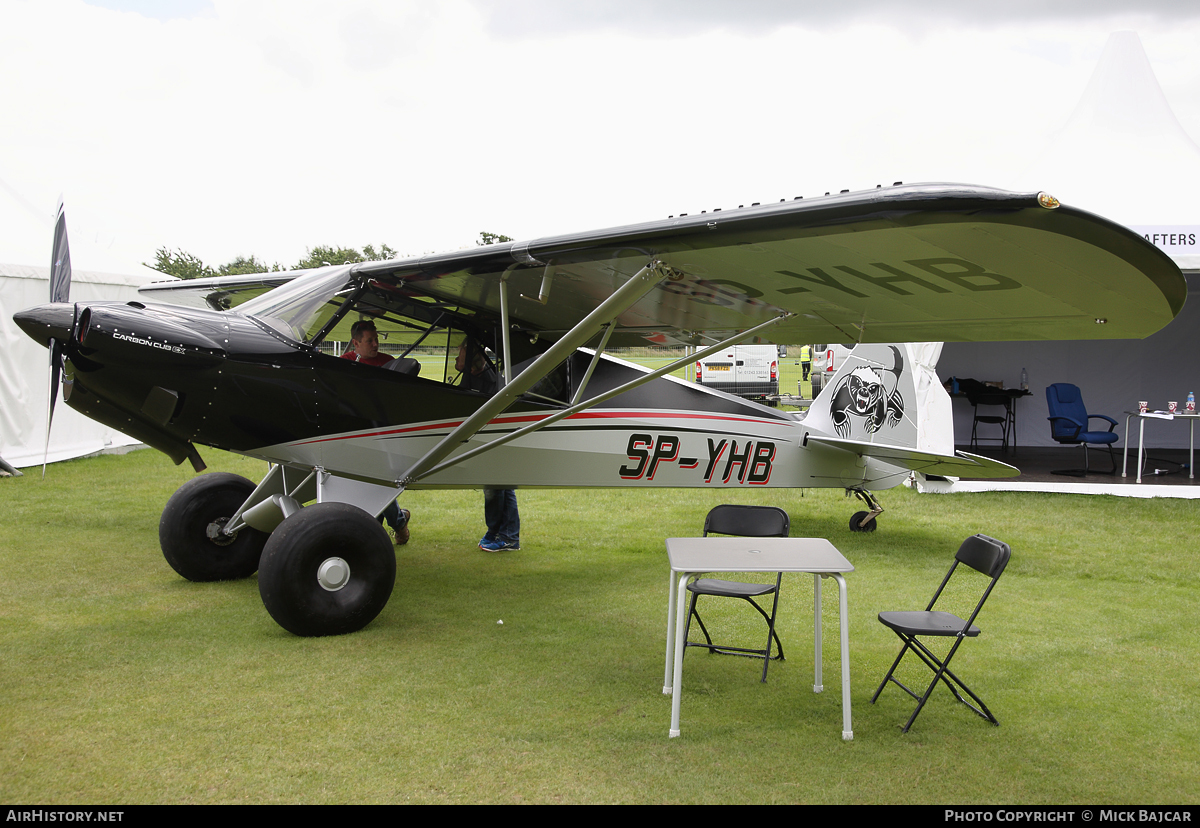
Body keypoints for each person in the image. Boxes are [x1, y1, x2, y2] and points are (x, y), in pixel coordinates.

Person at [454, 340, 520, 551]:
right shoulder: (472, 376)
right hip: (489, 437)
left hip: (494, 437)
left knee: (495, 486)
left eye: (460, 354)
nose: (456, 357)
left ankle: (500, 534)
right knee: (502, 484)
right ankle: (507, 536)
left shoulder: (489, 381)